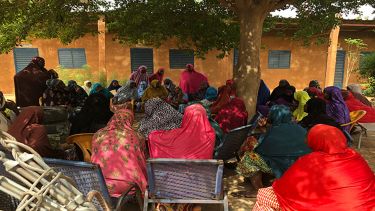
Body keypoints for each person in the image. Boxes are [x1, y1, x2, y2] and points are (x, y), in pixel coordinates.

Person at [254, 124, 375, 211]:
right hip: (366, 205)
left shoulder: (311, 161)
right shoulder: (355, 156)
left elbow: (284, 189)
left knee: (265, 195)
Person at [237, 105, 311, 190]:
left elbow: (261, 150)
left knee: (249, 158)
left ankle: (259, 189)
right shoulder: (301, 129)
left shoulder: (274, 131)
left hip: (285, 167)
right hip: (303, 167)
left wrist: (263, 131)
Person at [91, 108, 147, 198]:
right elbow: (142, 163)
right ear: (130, 121)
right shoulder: (137, 136)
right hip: (126, 186)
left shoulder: (98, 134)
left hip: (98, 183)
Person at [148, 104, 216, 159]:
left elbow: (152, 136)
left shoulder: (175, 135)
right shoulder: (211, 134)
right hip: (203, 173)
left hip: (176, 173)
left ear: (186, 117)